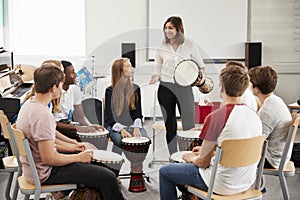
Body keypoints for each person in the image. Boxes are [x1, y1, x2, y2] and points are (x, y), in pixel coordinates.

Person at [16, 64, 125, 200]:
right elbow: (48, 158)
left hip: (34, 170)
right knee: (108, 177)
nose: (61, 89)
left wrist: (73, 147)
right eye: (61, 85)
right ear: (54, 88)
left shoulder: (28, 105)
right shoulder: (43, 115)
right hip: (46, 173)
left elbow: (45, 145)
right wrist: (78, 157)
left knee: (101, 166)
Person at [159, 65, 262, 200]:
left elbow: (203, 163)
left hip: (221, 183)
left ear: (221, 87)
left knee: (165, 172)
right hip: (246, 181)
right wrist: (213, 152)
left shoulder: (217, 117)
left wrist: (193, 158)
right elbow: (238, 148)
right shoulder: (254, 116)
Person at [149, 16, 206, 155]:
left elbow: (201, 66)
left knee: (189, 125)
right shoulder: (161, 48)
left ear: (178, 29)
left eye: (171, 28)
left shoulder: (189, 44)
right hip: (165, 88)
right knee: (170, 126)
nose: (167, 31)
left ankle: (188, 156)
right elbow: (158, 70)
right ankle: (173, 156)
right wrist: (155, 77)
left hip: (184, 88)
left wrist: (202, 78)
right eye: (166, 28)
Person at [248, 65, 292, 169]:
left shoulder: (268, 111)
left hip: (271, 159)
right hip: (279, 155)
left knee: (228, 155)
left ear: (256, 89)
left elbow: (255, 141)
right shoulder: (275, 100)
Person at [105, 58, 149, 154]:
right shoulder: (110, 91)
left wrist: (136, 128)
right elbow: (110, 117)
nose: (132, 68)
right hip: (115, 125)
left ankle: (135, 167)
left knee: (145, 141)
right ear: (120, 71)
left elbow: (138, 112)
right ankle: (117, 164)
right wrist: (122, 130)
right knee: (121, 141)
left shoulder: (135, 88)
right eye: (128, 66)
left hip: (132, 124)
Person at [53, 60, 104, 141]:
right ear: (63, 76)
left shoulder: (75, 90)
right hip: (57, 128)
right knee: (82, 138)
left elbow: (81, 117)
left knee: (96, 135)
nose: (76, 75)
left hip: (67, 124)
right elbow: (54, 124)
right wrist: (80, 128)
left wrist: (90, 126)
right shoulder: (54, 93)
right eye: (72, 72)